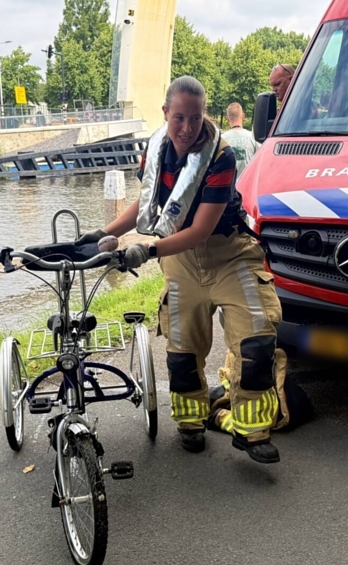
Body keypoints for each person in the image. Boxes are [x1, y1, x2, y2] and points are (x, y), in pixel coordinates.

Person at [78, 76, 283, 464]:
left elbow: (201, 229)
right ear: (165, 114)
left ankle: (252, 431)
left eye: (195, 117)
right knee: (182, 347)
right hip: (182, 261)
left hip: (230, 254)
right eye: (179, 118)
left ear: (205, 114)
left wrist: (146, 249)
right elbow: (145, 207)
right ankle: (191, 422)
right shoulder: (154, 151)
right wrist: (102, 234)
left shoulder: (220, 156)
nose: (187, 128)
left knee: (256, 340)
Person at [220, 102, 261, 175]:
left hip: (228, 184)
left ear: (227, 119)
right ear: (243, 116)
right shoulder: (253, 137)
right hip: (247, 184)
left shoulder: (221, 140)